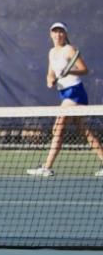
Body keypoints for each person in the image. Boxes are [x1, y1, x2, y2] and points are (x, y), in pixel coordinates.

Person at [26, 22, 103, 177]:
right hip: (65, 94)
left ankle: (46, 167)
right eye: (55, 32)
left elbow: (84, 70)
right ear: (51, 34)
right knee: (85, 132)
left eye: (61, 32)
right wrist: (49, 80)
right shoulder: (51, 52)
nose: (58, 35)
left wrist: (68, 72)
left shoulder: (69, 50)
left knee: (58, 128)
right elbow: (50, 73)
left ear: (65, 34)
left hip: (75, 93)